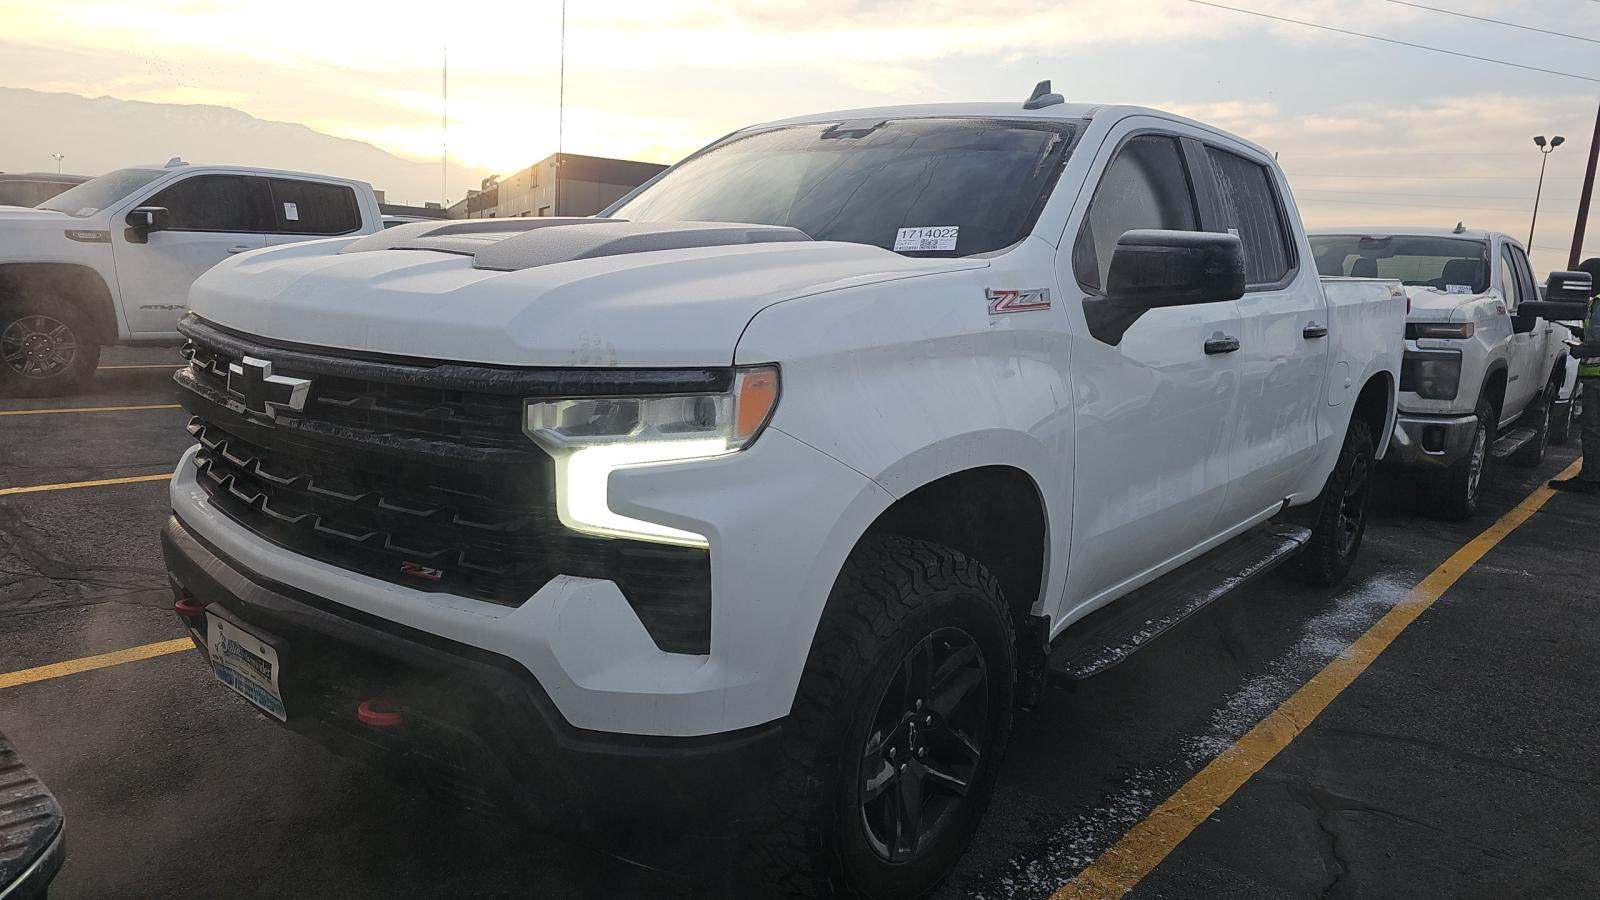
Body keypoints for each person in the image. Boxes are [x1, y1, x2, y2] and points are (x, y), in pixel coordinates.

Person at [1551, 257, 1600, 493]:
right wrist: (1581, 331)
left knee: (1592, 430)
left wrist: (1579, 349)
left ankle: (1590, 479)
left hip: (1597, 378)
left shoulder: (1599, 304)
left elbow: (1598, 343)